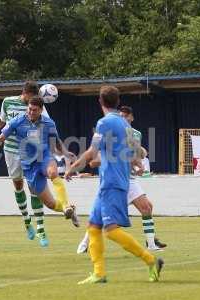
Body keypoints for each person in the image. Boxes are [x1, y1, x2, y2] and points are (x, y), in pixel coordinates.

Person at [65, 86, 163, 284]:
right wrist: (135, 164)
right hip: (114, 180)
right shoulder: (124, 123)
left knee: (110, 230)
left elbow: (92, 153)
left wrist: (72, 168)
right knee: (93, 227)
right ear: (118, 102)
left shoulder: (104, 122)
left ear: (100, 102)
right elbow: (135, 150)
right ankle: (99, 273)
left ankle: (151, 260)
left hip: (112, 181)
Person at [0, 96, 79, 247]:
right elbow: (0, 139)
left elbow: (57, 141)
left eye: (34, 110)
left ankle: (66, 205)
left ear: (41, 110)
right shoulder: (17, 121)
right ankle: (70, 210)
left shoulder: (48, 123)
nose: (31, 112)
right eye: (29, 109)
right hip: (29, 166)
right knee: (50, 204)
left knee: (53, 173)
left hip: (45, 158)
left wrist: (65, 152)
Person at [77, 105, 166, 253]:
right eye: (121, 116)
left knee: (147, 207)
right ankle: (85, 243)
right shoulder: (111, 133)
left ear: (131, 117)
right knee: (102, 216)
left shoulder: (135, 133)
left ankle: (151, 243)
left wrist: (139, 160)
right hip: (119, 179)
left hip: (128, 178)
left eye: (126, 116)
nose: (123, 119)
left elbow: (135, 153)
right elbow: (120, 154)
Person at [0, 81, 50, 246]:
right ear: (24, 93)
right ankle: (27, 220)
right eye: (30, 98)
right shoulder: (8, 102)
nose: (31, 103)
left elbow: (47, 125)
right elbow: (1, 121)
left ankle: (41, 230)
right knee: (18, 185)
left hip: (30, 153)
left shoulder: (38, 106)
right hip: (11, 151)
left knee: (34, 189)